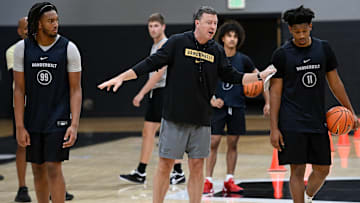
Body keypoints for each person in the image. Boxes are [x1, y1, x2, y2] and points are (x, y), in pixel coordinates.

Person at [98, 6, 276, 203]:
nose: (213, 27)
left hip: (201, 120)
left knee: (197, 166)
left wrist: (260, 76)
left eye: (215, 23)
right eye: (209, 22)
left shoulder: (216, 50)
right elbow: (150, 63)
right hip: (175, 117)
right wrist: (122, 78)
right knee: (165, 165)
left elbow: (234, 76)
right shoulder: (178, 42)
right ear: (197, 23)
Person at [269, 5, 359, 203]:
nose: (301, 35)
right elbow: (275, 92)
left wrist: (351, 112)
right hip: (291, 119)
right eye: (296, 31)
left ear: (310, 26)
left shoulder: (323, 48)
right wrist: (274, 128)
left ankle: (308, 197)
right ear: (290, 30)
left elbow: (336, 83)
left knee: (323, 169)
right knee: (297, 169)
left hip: (317, 119)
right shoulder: (282, 54)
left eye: (304, 30)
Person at [13, 2, 82, 203]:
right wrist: (19, 126)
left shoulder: (69, 48)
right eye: (50, 21)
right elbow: (18, 89)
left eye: (56, 20)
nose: (55, 24)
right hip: (33, 117)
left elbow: (76, 90)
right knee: (37, 168)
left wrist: (74, 124)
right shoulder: (22, 49)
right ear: (39, 24)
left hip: (58, 118)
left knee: (54, 166)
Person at [203, 20, 270, 194]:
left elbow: (261, 79)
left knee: (233, 143)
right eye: (229, 36)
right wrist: (211, 99)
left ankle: (229, 179)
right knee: (213, 141)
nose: (232, 39)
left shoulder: (244, 60)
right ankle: (207, 181)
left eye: (235, 36)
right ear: (223, 38)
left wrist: (268, 102)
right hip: (218, 106)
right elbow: (202, 80)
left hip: (237, 105)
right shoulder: (214, 56)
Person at [119, 13, 185, 185]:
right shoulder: (156, 45)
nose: (153, 29)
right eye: (150, 26)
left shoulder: (165, 45)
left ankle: (171, 171)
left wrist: (141, 93)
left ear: (163, 27)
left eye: (156, 25)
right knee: (156, 132)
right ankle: (148, 171)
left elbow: (158, 74)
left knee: (161, 132)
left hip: (164, 92)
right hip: (157, 93)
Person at [5, 17, 32, 202]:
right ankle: (22, 188)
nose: (27, 31)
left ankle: (50, 185)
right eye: (24, 28)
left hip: (45, 106)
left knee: (48, 148)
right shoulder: (13, 51)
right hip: (23, 105)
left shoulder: (51, 48)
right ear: (19, 31)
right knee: (22, 146)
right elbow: (20, 79)